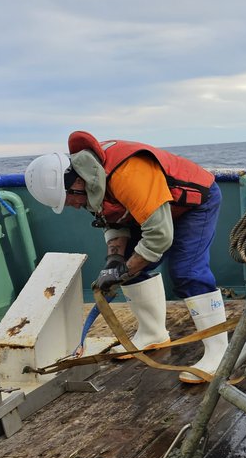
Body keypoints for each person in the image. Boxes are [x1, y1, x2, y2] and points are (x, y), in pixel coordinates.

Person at [24, 131, 228, 383]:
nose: (74, 206)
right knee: (126, 263)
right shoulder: (90, 178)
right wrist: (115, 261)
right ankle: (152, 334)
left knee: (187, 271)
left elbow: (159, 237)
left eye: (70, 201)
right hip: (152, 212)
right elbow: (112, 220)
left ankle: (220, 353)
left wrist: (125, 271)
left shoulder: (128, 174)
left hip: (194, 202)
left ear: (74, 183)